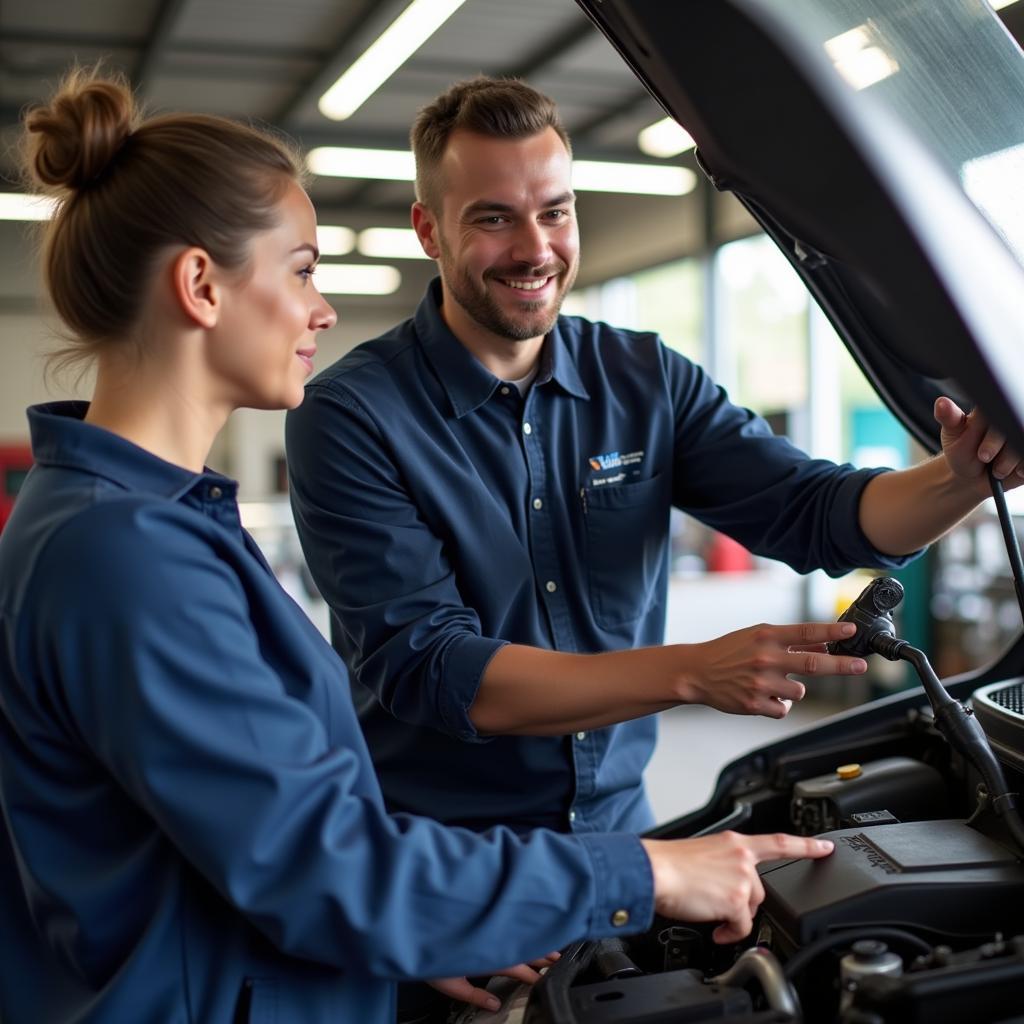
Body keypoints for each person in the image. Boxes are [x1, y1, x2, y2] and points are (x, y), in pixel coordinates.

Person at [0, 70, 840, 1024]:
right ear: (200, 286)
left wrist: (426, 926)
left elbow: (253, 832)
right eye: (305, 270)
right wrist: (646, 872)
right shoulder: (124, 555)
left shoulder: (148, 523)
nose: (322, 310)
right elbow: (321, 865)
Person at [285, 75, 1022, 840]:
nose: (536, 249)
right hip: (446, 853)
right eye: (495, 219)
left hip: (623, 832)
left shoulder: (644, 379)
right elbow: (434, 667)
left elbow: (815, 512)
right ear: (428, 229)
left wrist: (960, 477)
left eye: (555, 213)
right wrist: (690, 670)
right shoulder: (351, 416)